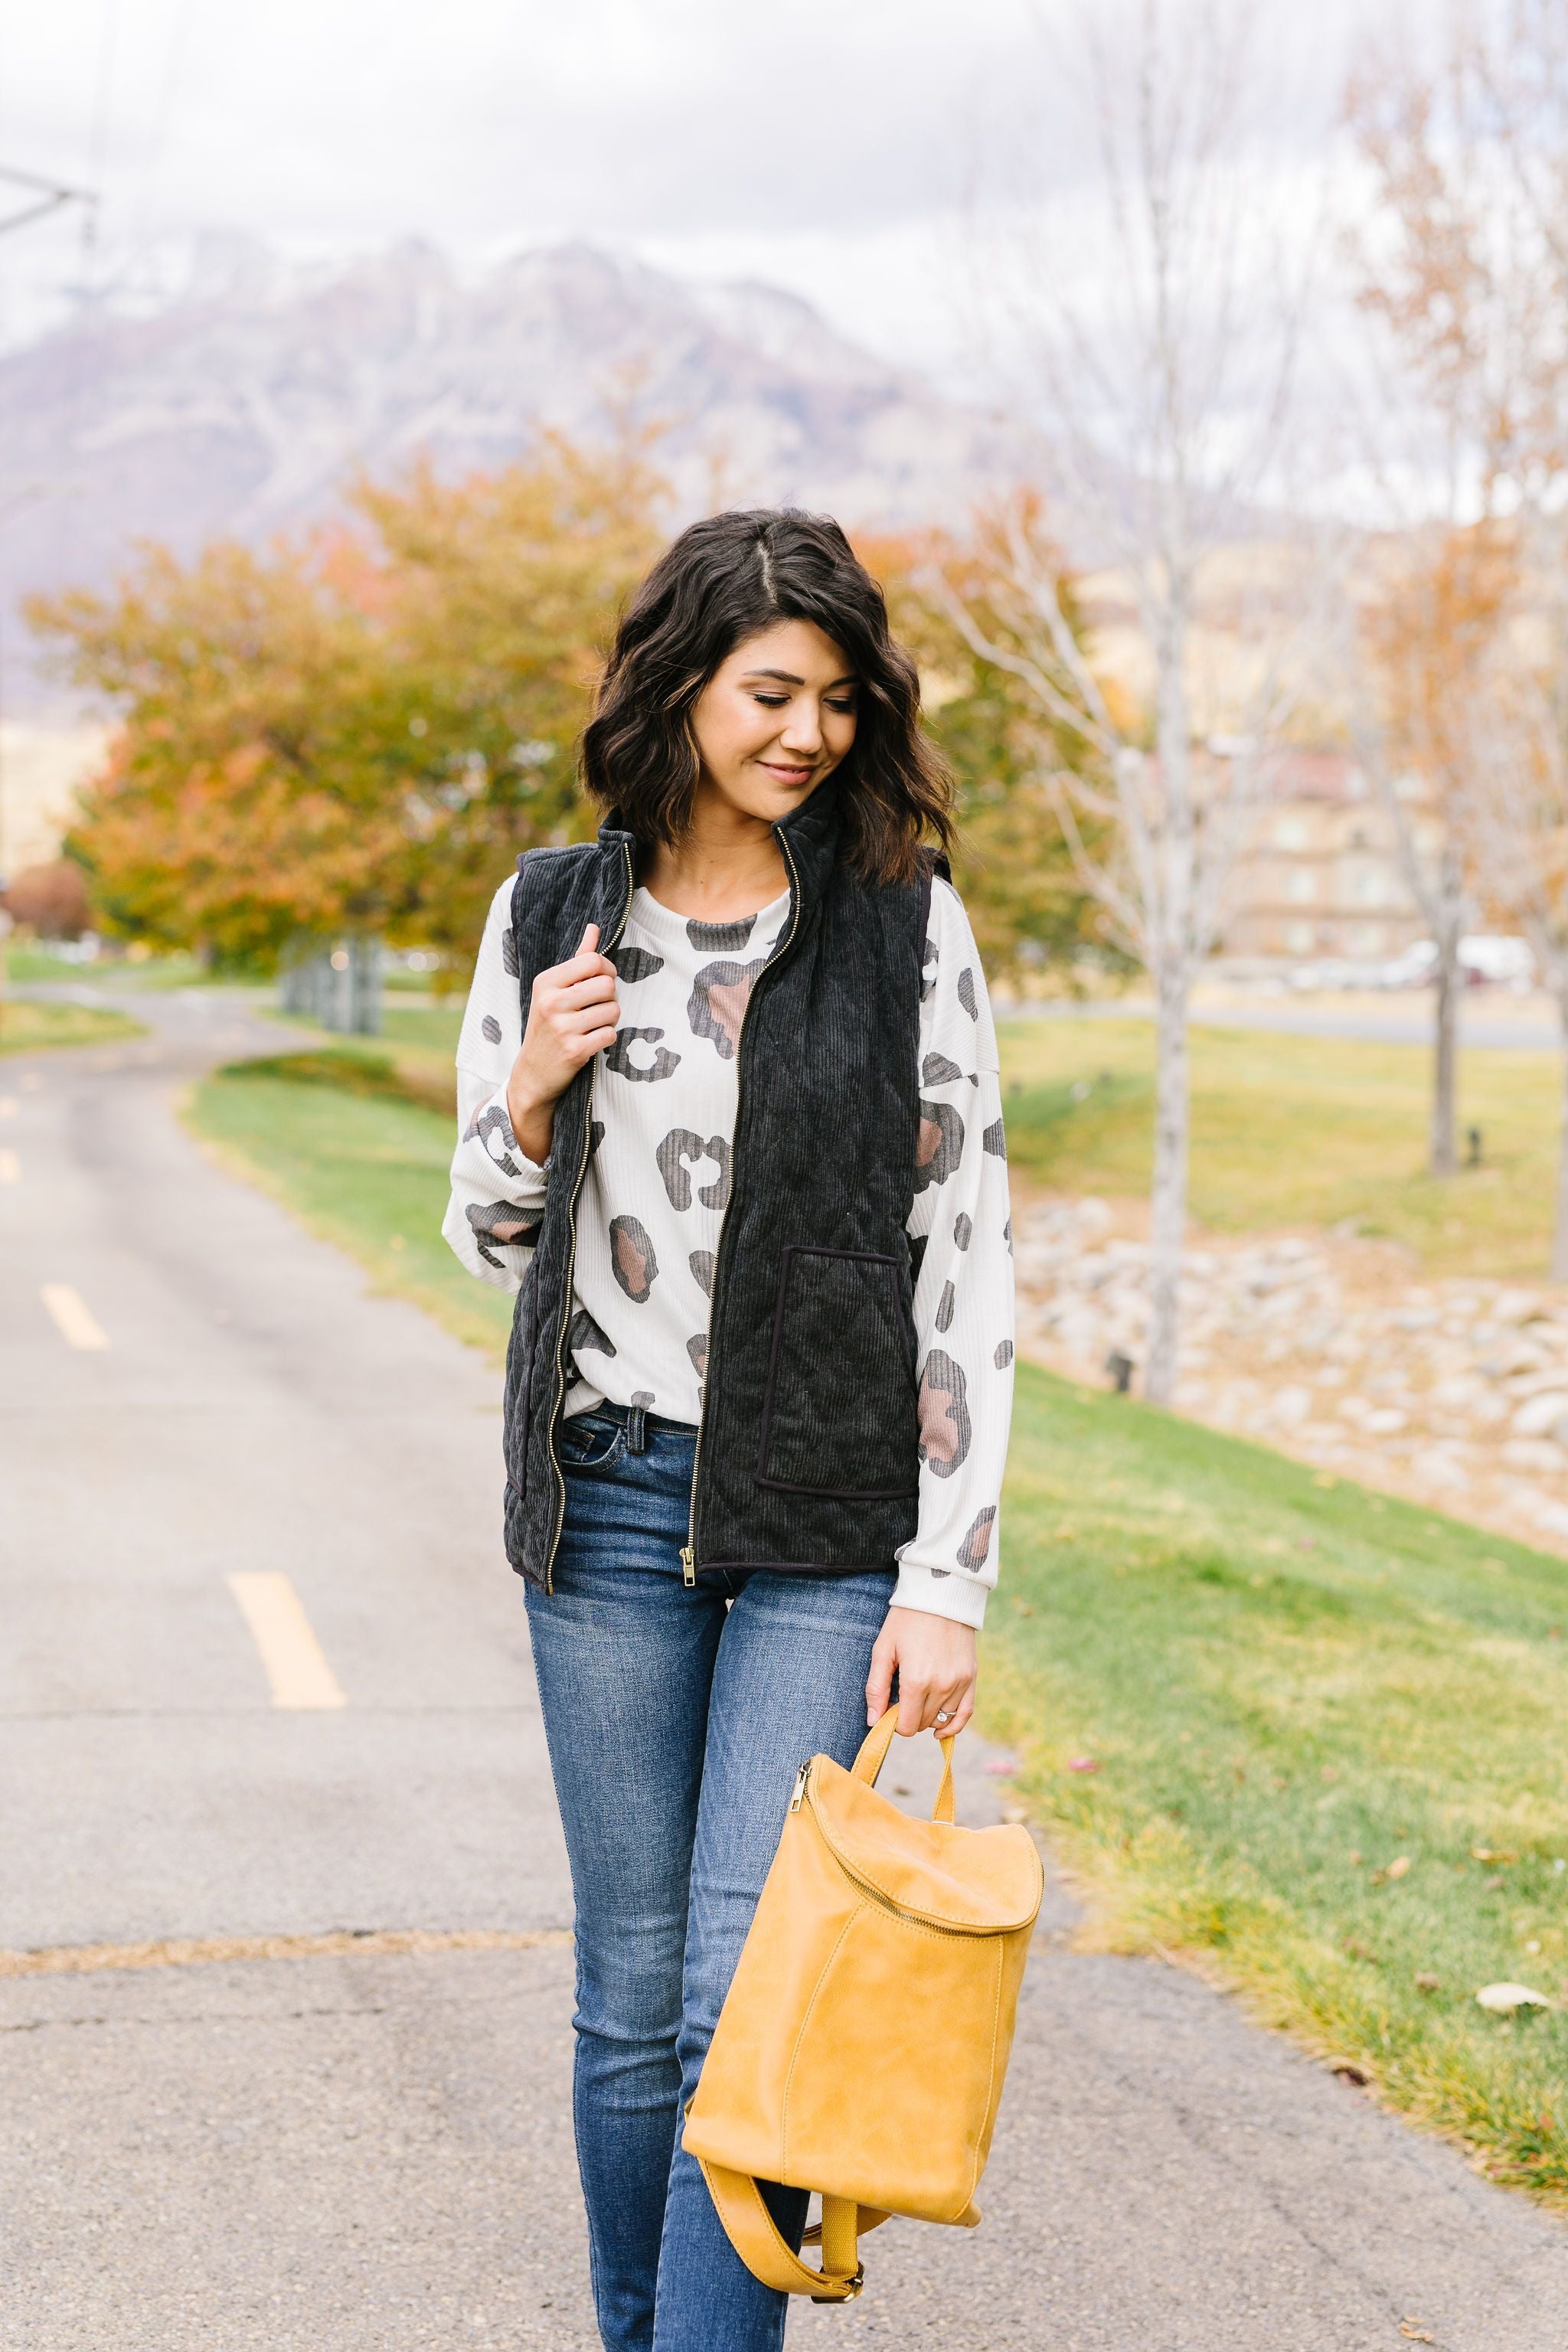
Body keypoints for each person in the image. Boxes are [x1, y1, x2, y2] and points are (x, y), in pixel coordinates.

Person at [443, 508, 1014, 2352]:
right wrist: (531, 1090)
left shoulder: (906, 928)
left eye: (841, 701)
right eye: (771, 691)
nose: (808, 733)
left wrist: (949, 1577)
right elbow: (489, 1234)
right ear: (681, 683)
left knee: (732, 1996)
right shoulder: (549, 912)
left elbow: (967, 1266)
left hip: (824, 1525)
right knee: (627, 2002)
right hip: (606, 1507)